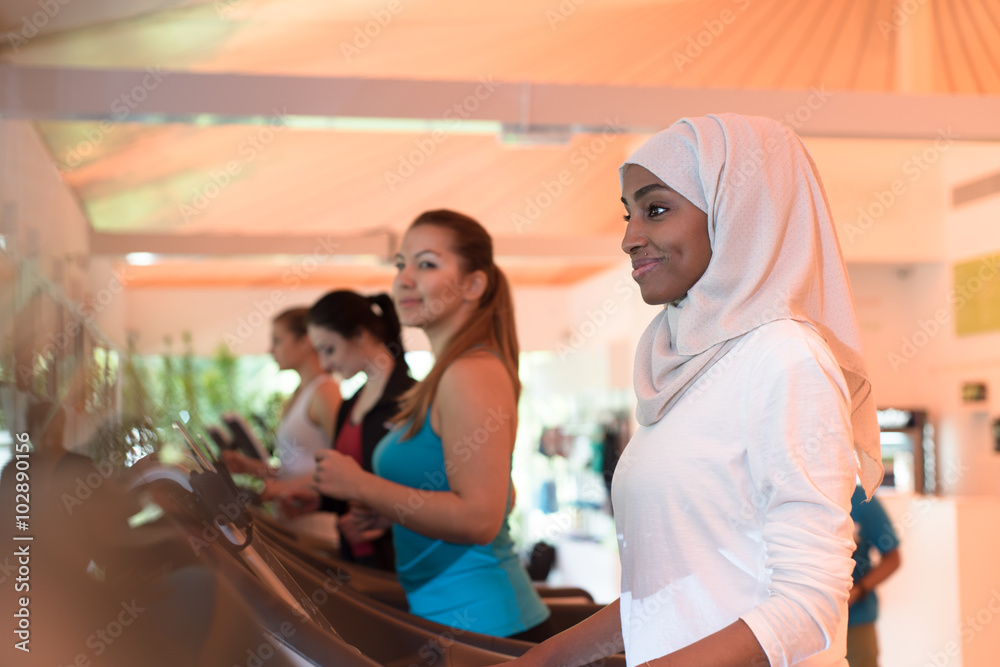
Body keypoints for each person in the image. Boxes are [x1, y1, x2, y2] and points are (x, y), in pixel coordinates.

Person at [505, 114, 883, 667]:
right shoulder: (685, 366)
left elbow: (809, 606)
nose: (629, 237)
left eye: (655, 209)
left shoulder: (785, 357)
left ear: (739, 209)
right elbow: (665, 593)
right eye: (628, 214)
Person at [312, 210, 552, 639]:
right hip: (449, 620)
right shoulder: (447, 374)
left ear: (473, 285)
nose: (404, 279)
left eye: (426, 264)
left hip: (489, 625)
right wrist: (395, 513)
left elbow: (481, 518)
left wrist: (361, 486)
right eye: (401, 264)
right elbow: (502, 493)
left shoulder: (471, 372)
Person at [282, 290, 414, 571]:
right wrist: (321, 500)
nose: (326, 364)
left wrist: (389, 517)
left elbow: (431, 487)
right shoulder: (351, 404)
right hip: (356, 560)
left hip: (399, 563)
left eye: (329, 349)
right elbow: (353, 481)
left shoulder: (411, 399)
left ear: (360, 336)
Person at [222, 307, 342, 542]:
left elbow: (346, 465)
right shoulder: (298, 395)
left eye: (277, 340)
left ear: (306, 341)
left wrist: (283, 488)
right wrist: (251, 467)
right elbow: (295, 467)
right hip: (293, 523)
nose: (270, 349)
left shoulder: (325, 391)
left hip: (318, 526)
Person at [846, 485, 901, 667]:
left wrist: (858, 591)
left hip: (855, 623)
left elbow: (892, 558)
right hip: (805, 624)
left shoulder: (860, 498)